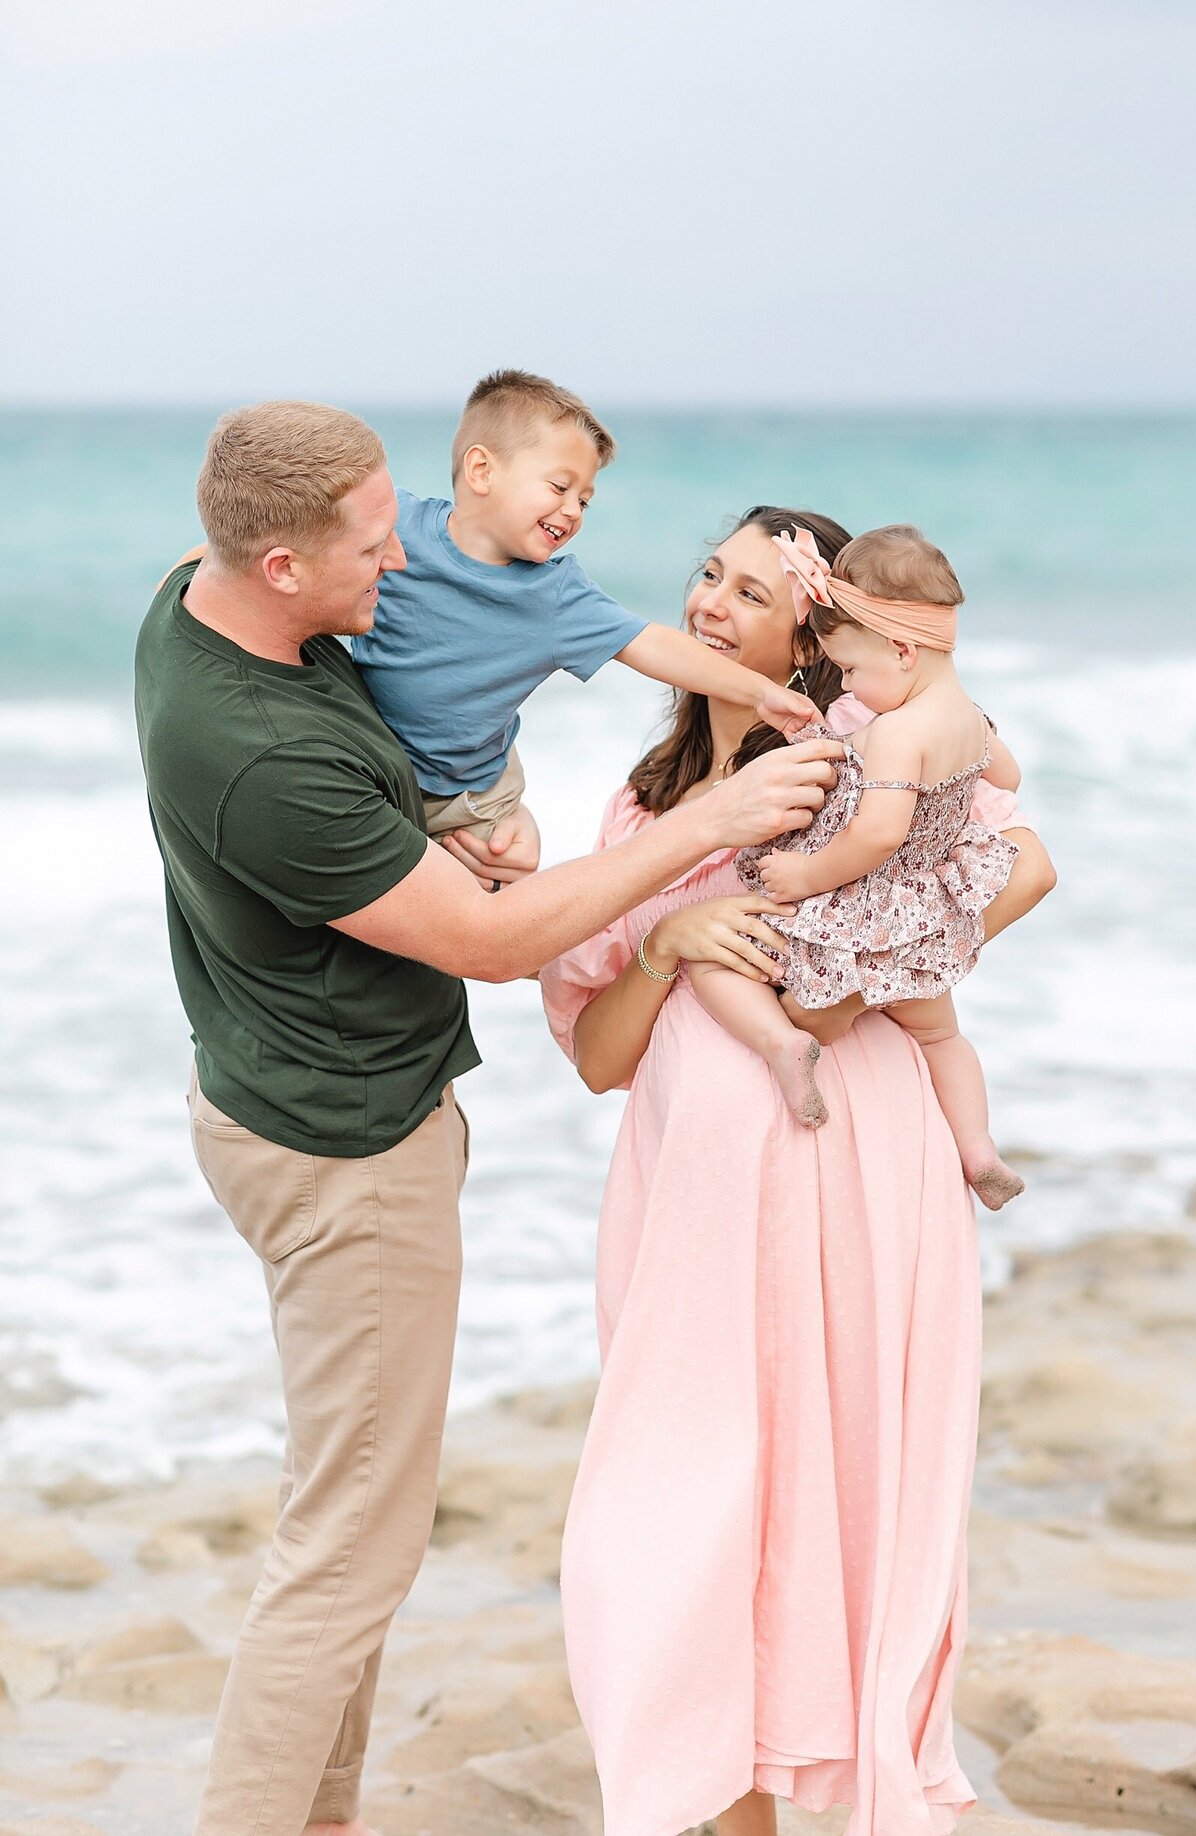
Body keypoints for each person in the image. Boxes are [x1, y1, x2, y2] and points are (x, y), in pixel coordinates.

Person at [133, 404, 843, 1836]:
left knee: (343, 1511)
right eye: (372, 547)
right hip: (346, 1155)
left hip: (277, 1094)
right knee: (350, 1550)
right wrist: (703, 830)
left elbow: (416, 812)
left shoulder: (201, 607)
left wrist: (461, 824)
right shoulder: (267, 756)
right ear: (278, 564)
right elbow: (499, 947)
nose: (403, 564)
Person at [540, 504, 1056, 1836]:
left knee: (838, 1499)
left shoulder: (856, 764)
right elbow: (599, 1057)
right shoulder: (640, 808)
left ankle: (811, 1797)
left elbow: (1027, 863)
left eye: (752, 593)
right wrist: (674, 940)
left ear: (816, 638)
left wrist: (850, 954)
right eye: (708, 575)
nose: (710, 605)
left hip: (854, 1173)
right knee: (669, 1520)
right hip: (691, 1211)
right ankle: (707, 1802)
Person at [691, 523, 1026, 1210]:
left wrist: (807, 877)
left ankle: (784, 1047)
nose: (845, 683)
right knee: (944, 1037)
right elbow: (1010, 776)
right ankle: (978, 1148)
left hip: (857, 913)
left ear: (903, 650)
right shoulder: (970, 718)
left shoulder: (901, 730)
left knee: (712, 963)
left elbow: (876, 835)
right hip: (922, 923)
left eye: (850, 670)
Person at [350, 368, 815, 862]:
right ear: (481, 470)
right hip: (371, 759)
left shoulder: (555, 595)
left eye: (584, 501)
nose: (572, 511)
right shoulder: (397, 526)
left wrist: (762, 692)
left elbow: (652, 645)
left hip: (465, 801)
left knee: (470, 910)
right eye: (558, 487)